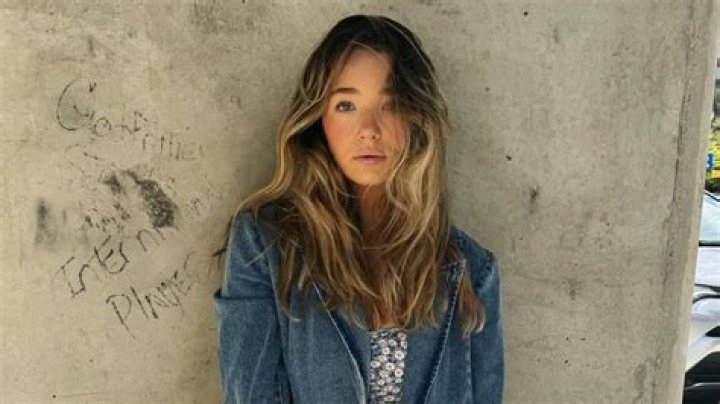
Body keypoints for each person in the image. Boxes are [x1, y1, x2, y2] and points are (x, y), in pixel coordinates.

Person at [213, 14, 503, 404]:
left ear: (418, 118)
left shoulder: (471, 270)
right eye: (346, 105)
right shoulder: (266, 247)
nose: (369, 129)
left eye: (391, 104)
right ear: (318, 118)